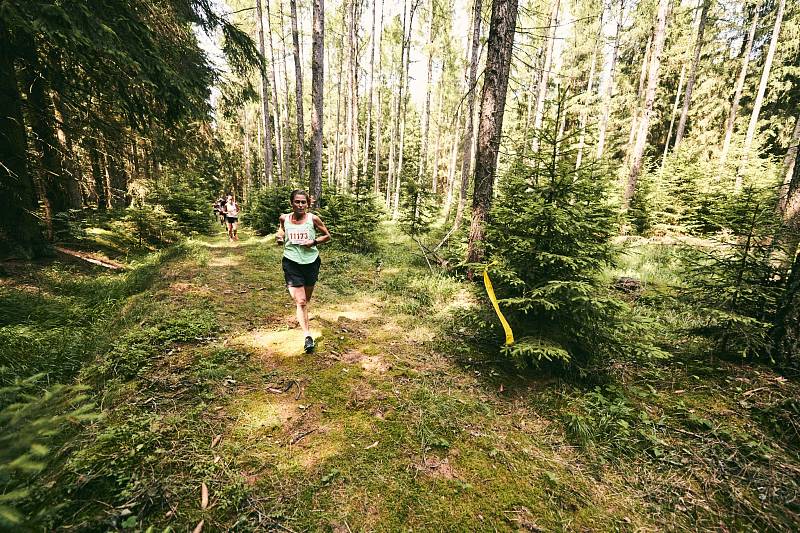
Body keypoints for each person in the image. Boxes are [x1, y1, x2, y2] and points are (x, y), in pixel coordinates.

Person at [277, 189, 331, 353]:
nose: (300, 205)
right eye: (297, 202)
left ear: (308, 204)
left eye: (303, 202)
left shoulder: (313, 219)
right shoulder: (284, 218)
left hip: (311, 263)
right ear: (291, 203)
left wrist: (313, 242)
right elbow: (281, 229)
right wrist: (279, 236)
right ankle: (307, 336)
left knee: (305, 300)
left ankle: (302, 315)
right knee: (300, 301)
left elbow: (327, 236)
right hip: (291, 262)